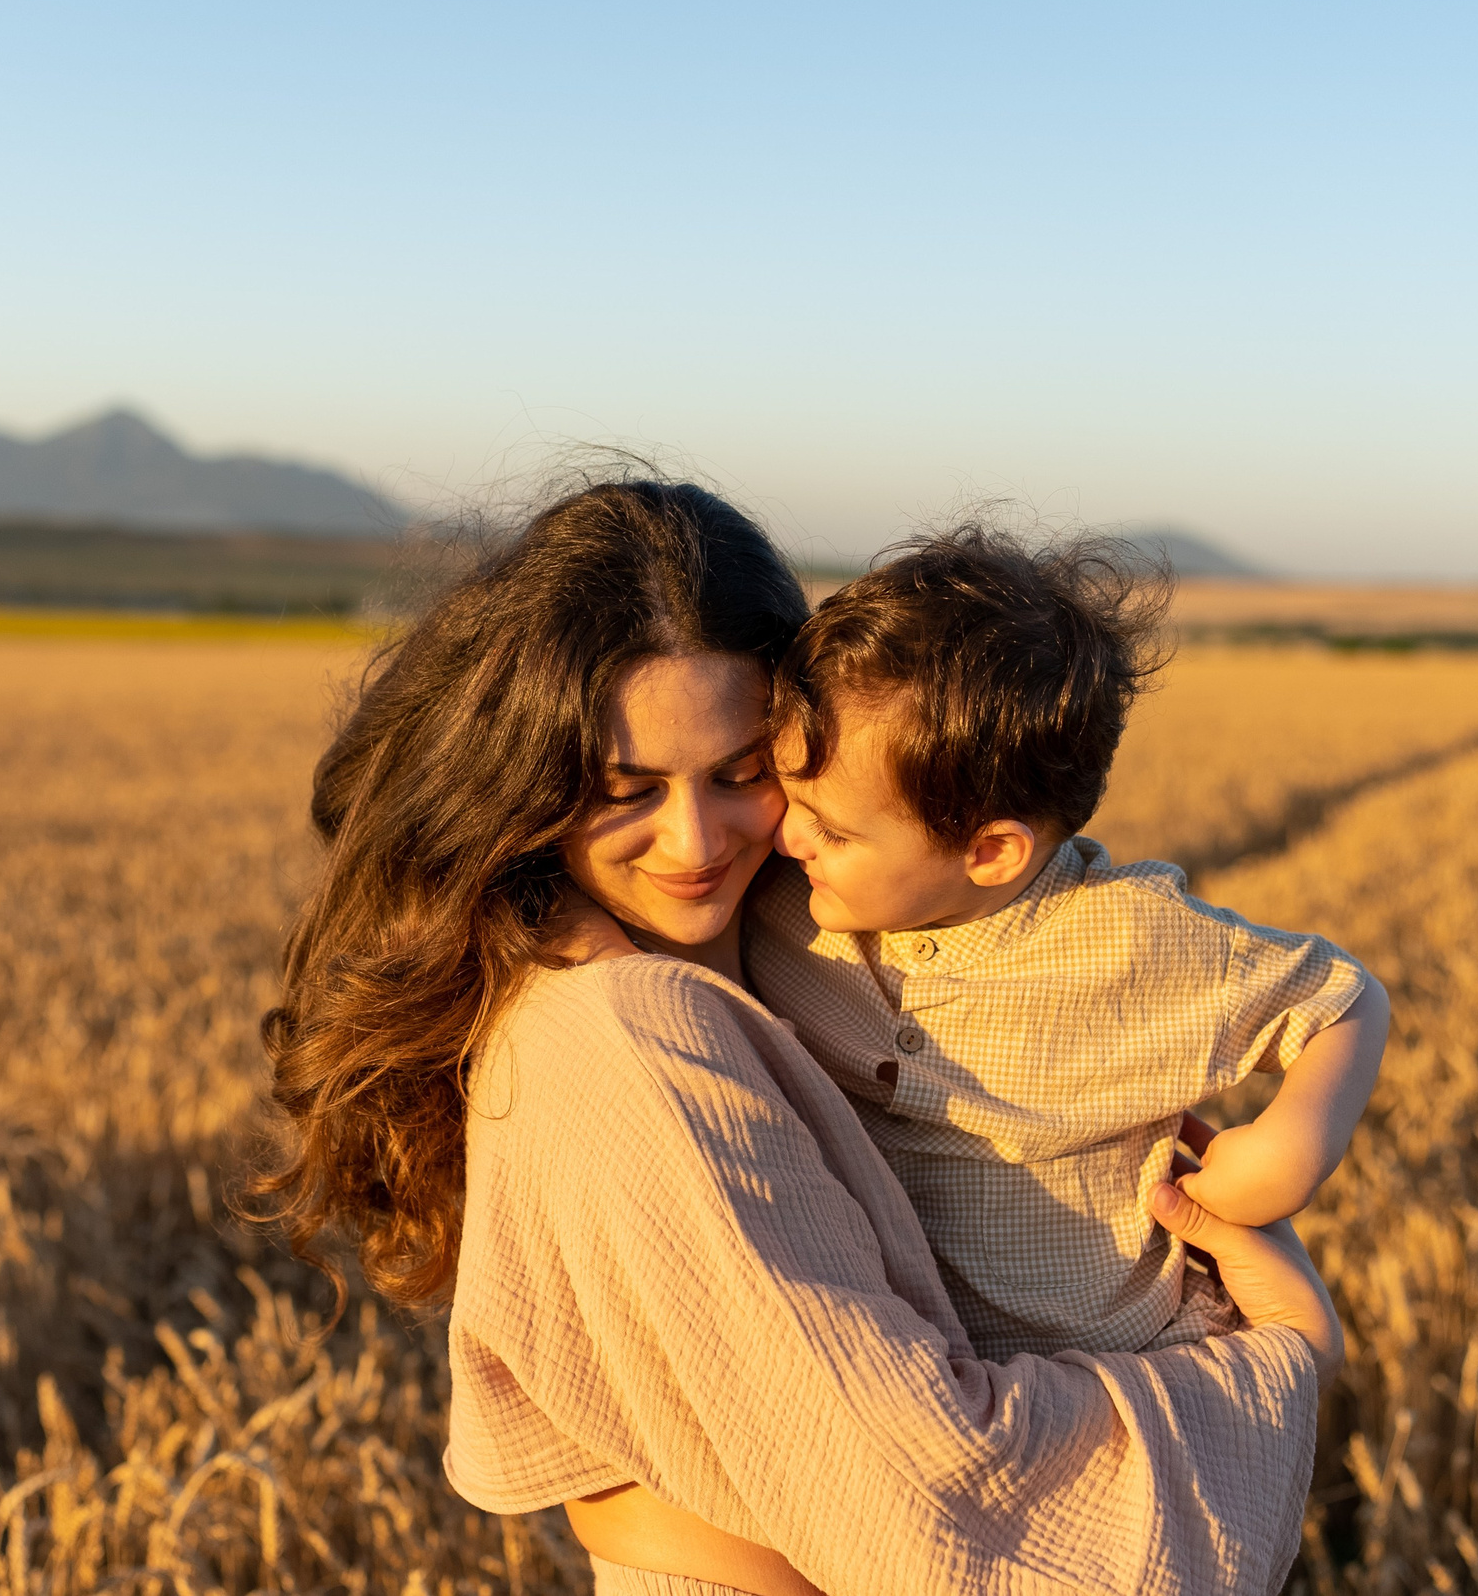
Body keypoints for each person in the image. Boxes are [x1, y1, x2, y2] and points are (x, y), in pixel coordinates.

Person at [256, 478, 1343, 1595]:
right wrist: (1279, 1360)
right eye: (625, 788)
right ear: (527, 780)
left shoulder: (747, 958)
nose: (695, 842)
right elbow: (931, 1493)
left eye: (741, 776)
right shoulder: (636, 1033)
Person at [750, 524, 1393, 1360]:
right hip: (917, 1377)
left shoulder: (1130, 937)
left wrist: (1290, 1150)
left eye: (830, 829)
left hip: (1126, 1370)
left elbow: (1345, 998)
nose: (787, 836)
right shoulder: (785, 906)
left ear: (990, 852)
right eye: (786, 793)